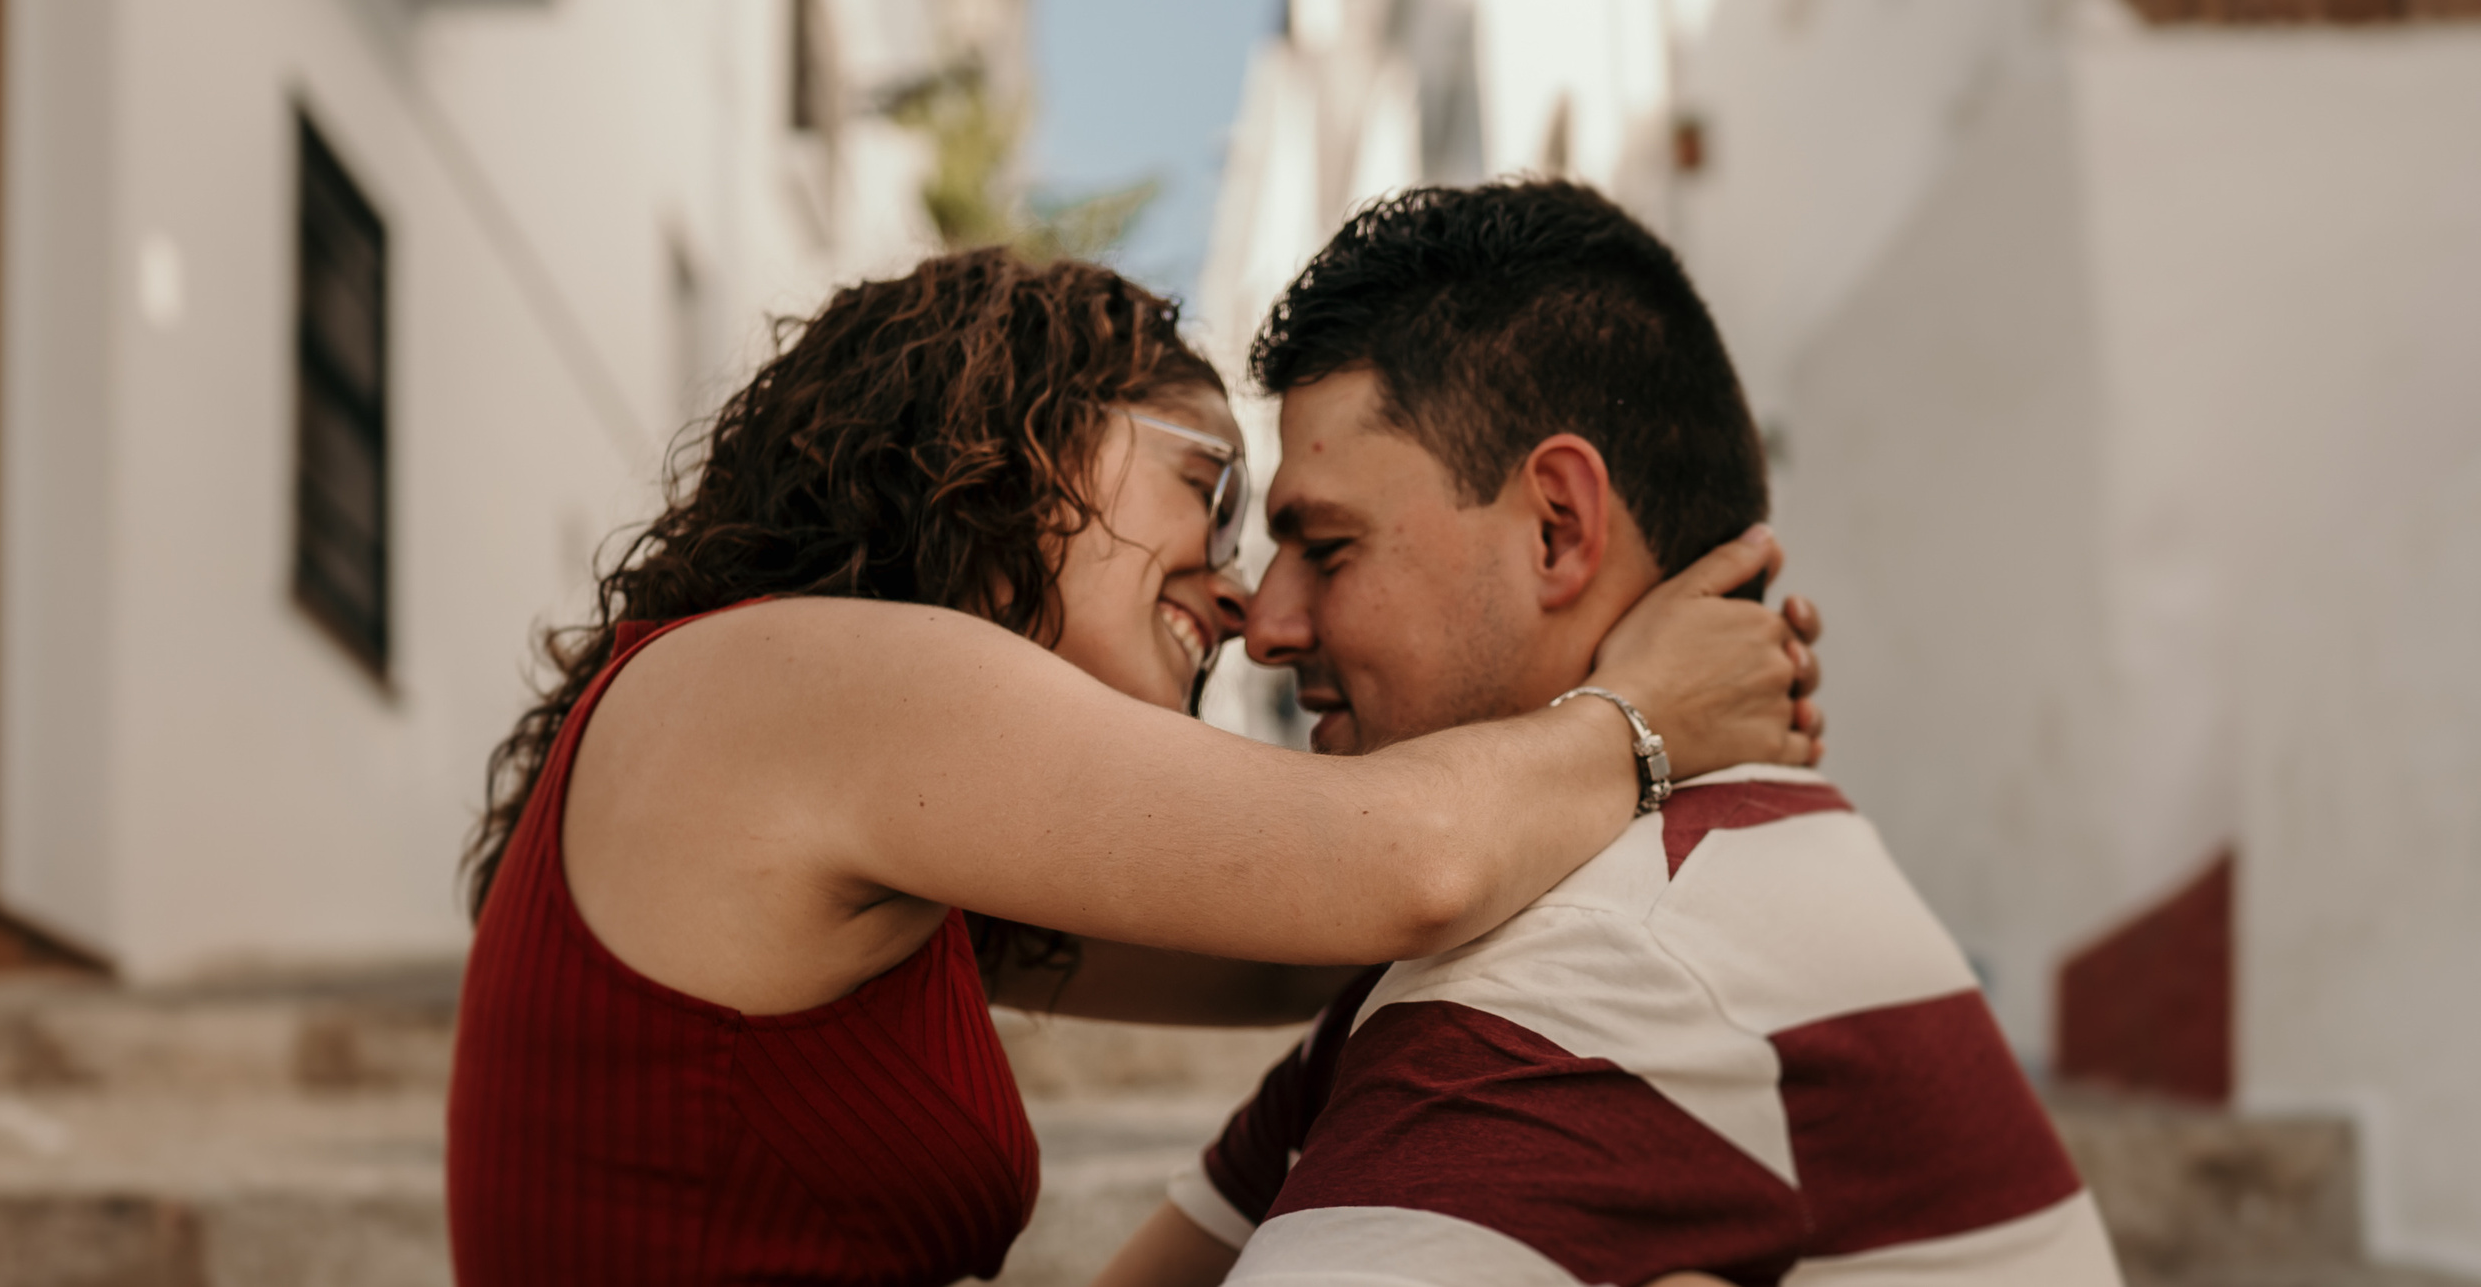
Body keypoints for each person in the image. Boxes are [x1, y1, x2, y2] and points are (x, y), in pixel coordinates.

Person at [444, 247, 1824, 1286]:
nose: (1237, 595)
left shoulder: (859, 793)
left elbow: (1297, 958)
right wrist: (1646, 709)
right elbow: (1399, 868)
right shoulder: (809, 674)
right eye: (1206, 493)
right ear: (1009, 439)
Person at [1096, 183, 2118, 1287]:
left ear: (1558, 527)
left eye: (1329, 548)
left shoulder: (1608, 955)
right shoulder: (1602, 915)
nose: (1267, 628)